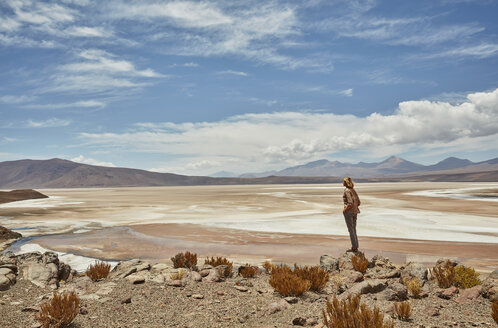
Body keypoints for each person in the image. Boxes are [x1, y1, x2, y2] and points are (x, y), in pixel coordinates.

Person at [342, 176, 361, 252]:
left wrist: (345, 210)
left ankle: (354, 247)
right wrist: (354, 207)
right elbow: (358, 202)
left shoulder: (347, 191)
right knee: (353, 229)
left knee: (351, 230)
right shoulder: (353, 190)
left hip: (349, 212)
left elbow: (350, 203)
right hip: (355, 211)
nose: (342, 183)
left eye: (343, 181)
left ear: (346, 182)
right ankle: (355, 246)